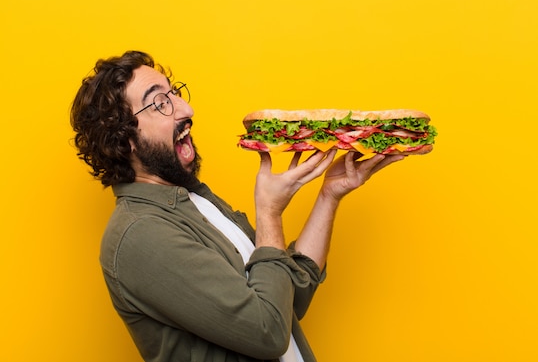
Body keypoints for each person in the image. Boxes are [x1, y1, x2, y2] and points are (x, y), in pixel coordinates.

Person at [70, 50, 405, 362]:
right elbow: (268, 331)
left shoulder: (196, 200)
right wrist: (270, 213)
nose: (186, 110)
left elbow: (289, 298)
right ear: (125, 139)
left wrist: (329, 194)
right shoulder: (140, 236)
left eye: (175, 93)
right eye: (160, 103)